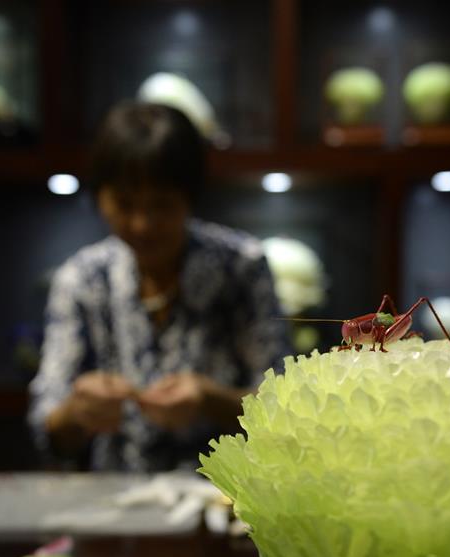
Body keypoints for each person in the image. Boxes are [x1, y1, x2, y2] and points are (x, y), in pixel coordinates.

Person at [27, 101, 291, 471]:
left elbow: (286, 412)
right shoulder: (82, 278)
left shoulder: (242, 267)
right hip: (115, 496)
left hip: (225, 494)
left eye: (162, 205)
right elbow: (49, 430)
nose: (142, 224)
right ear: (99, 197)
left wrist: (208, 399)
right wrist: (77, 412)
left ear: (190, 198)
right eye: (124, 203)